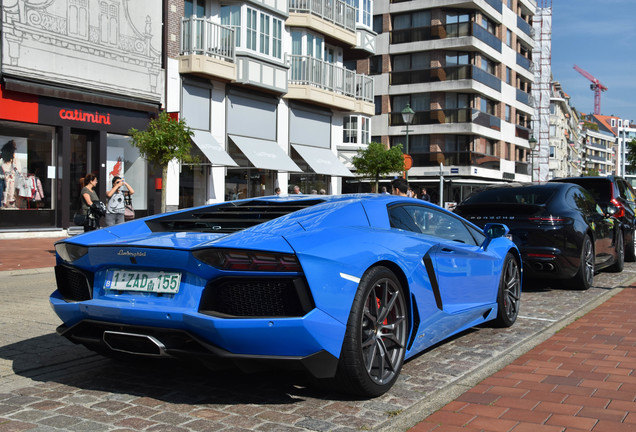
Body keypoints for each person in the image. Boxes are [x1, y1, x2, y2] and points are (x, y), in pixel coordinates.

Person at [0, 140, 21, 209]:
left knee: (6, 189)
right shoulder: (13, 158)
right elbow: (16, 168)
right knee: (9, 189)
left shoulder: (3, 158)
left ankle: (5, 202)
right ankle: (9, 202)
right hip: (10, 175)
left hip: (5, 175)